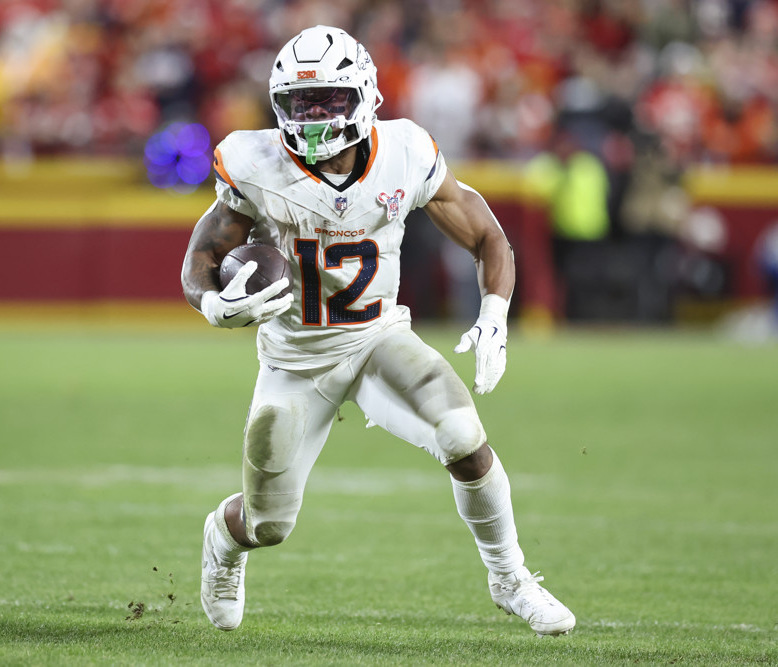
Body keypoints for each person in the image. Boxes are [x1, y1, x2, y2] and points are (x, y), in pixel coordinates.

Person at [181, 25, 575, 636]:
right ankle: (222, 542)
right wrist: (211, 304)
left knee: (463, 434)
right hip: (294, 360)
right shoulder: (253, 163)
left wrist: (495, 313)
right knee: (268, 524)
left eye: (328, 102)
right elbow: (203, 255)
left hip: (377, 340)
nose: (313, 119)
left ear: (363, 95)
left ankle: (511, 577)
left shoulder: (406, 153)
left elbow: (487, 234)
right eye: (299, 104)